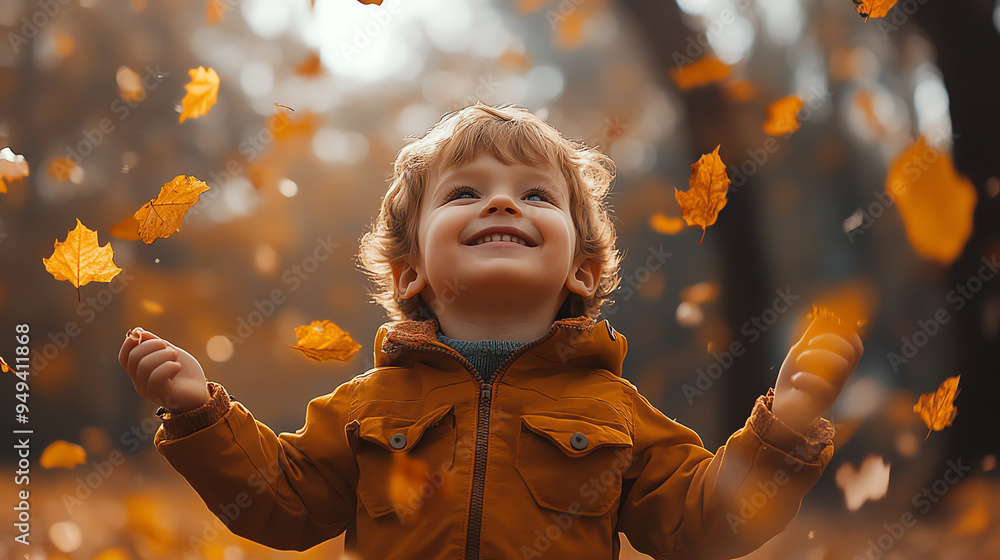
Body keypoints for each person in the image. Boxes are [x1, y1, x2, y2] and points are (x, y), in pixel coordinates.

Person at [118, 103, 863, 559]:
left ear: (581, 271)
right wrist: (200, 415)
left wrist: (784, 432)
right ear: (410, 272)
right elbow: (282, 505)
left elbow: (701, 527)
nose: (502, 205)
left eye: (535, 195)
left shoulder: (612, 410)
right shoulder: (368, 405)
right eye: (466, 192)